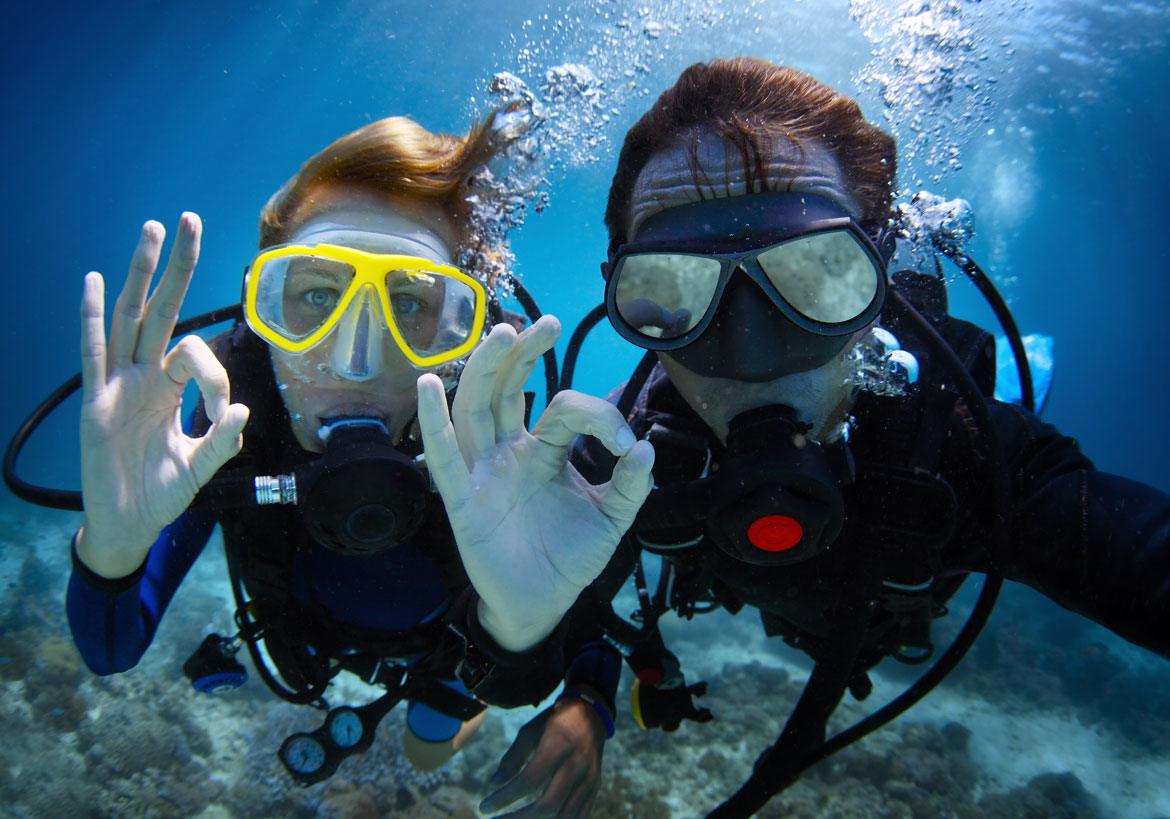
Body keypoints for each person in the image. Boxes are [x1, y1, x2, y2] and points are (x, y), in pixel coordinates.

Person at [481, 57, 1170, 817]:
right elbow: (545, 623)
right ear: (625, 297)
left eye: (816, 275)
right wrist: (578, 686)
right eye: (671, 290)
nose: (749, 352)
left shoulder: (959, 446)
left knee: (1004, 390)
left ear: (876, 272)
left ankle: (1023, 368)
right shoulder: (625, 449)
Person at [66, 111, 654, 792]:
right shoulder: (229, 413)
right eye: (316, 294)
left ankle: (445, 718)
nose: (355, 362)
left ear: (466, 336)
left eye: (410, 305)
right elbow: (111, 649)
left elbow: (583, 618)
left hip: (450, 654)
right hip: (306, 642)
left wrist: (535, 647)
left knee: (429, 746)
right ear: (266, 313)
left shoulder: (499, 424)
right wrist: (112, 547)